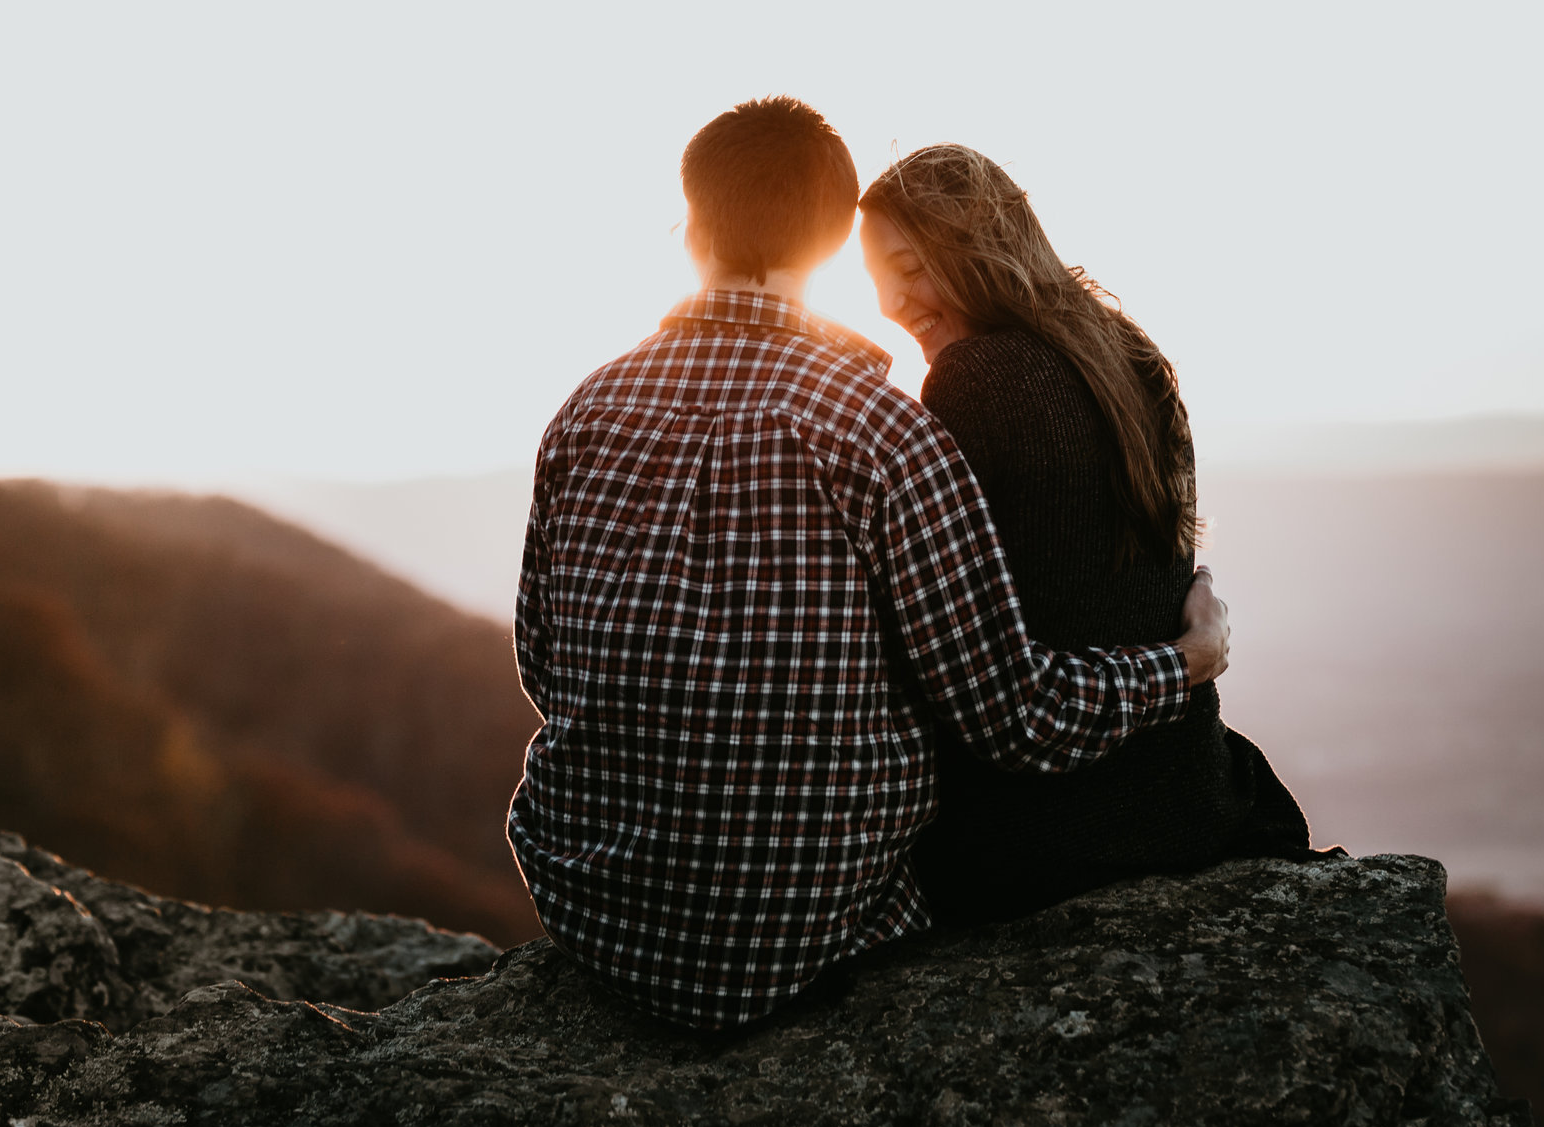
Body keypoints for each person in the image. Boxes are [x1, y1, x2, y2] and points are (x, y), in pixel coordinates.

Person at [506, 96, 1231, 1031]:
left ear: (689, 228)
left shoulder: (584, 413)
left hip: (593, 909)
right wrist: (1182, 665)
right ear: (828, 249)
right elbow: (1011, 714)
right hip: (812, 933)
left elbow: (542, 660)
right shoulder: (889, 437)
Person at [858, 143, 1326, 927]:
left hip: (1043, 832)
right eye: (874, 281)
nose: (889, 302)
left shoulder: (973, 379)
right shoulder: (1129, 353)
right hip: (1189, 796)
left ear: (975, 244)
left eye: (908, 268)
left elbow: (948, 657)